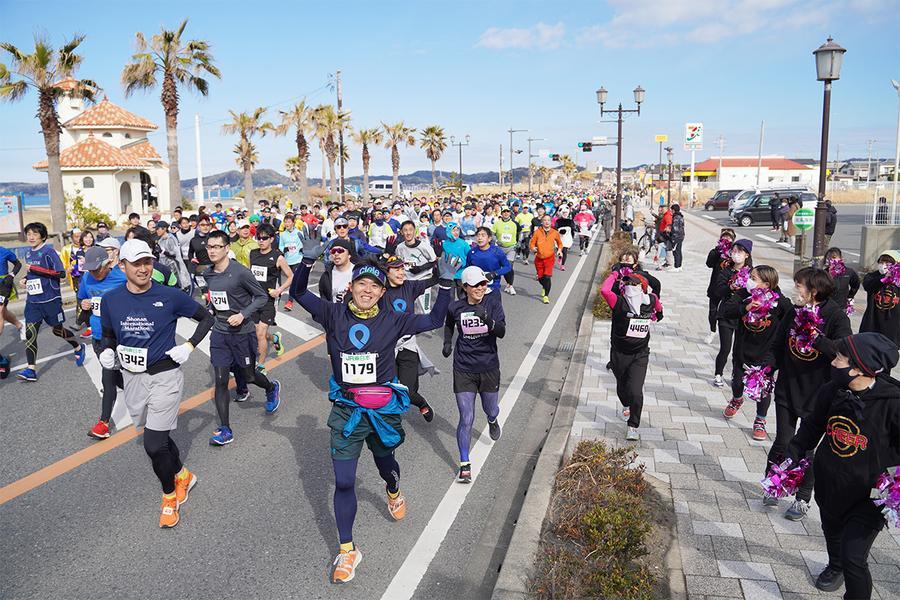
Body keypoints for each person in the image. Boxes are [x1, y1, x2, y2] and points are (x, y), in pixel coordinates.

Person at [287, 235, 458, 584]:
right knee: (345, 481)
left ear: (383, 292)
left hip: (381, 411)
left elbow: (436, 319)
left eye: (374, 285)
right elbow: (298, 295)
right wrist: (305, 263)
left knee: (386, 465)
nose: (367, 289)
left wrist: (444, 284)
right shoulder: (332, 314)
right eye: (361, 283)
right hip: (346, 410)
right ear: (351, 287)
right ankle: (348, 550)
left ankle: (393, 490)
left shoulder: (394, 320)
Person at [100, 239, 214, 527]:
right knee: (160, 440)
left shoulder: (170, 296)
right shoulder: (112, 299)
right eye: (136, 263)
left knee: (152, 444)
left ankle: (169, 497)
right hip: (132, 377)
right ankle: (184, 475)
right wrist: (107, 350)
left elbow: (206, 318)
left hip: (165, 375)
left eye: (147, 262)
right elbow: (110, 334)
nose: (143, 268)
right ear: (122, 265)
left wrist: (188, 346)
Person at [784, 332, 900, 598]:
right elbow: (811, 427)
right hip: (831, 483)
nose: (833, 362)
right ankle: (834, 565)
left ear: (859, 368)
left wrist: (893, 485)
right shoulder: (832, 390)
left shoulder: (894, 404)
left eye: (839, 357)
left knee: (854, 557)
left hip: (869, 496)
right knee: (832, 534)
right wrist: (793, 456)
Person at [765, 267, 852, 520]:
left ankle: (802, 498)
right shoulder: (794, 311)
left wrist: (817, 338)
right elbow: (777, 344)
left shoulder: (836, 316)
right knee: (783, 441)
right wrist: (767, 368)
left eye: (799, 285)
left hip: (819, 395)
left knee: (808, 449)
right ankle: (773, 484)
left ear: (813, 290)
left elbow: (843, 351)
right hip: (788, 388)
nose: (795, 289)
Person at [203, 229, 282, 446]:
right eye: (209, 246)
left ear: (227, 248)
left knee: (248, 376)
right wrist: (211, 308)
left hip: (242, 333)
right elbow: (216, 299)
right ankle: (225, 429)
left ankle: (270, 387)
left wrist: (242, 315)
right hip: (220, 333)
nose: (212, 251)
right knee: (220, 380)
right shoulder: (208, 274)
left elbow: (260, 297)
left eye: (217, 246)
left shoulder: (240, 272)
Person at [443, 265, 506, 482]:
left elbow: (502, 332)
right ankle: (464, 463)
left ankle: (492, 419)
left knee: (490, 408)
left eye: (483, 283)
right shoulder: (455, 307)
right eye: (476, 285)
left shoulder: (493, 302)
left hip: (488, 366)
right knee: (466, 417)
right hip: (463, 368)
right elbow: (449, 324)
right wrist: (446, 343)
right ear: (465, 287)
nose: (481, 287)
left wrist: (487, 320)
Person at [719, 265, 792, 440]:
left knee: (763, 389)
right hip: (743, 350)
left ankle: (760, 420)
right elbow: (726, 311)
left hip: (765, 354)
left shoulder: (779, 301)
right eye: (750, 276)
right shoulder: (744, 294)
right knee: (737, 382)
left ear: (766, 284)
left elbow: (792, 317)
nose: (749, 280)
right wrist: (745, 307)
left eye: (754, 278)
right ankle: (737, 399)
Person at [599, 271, 663, 441]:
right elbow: (605, 291)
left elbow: (659, 306)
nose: (629, 287)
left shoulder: (651, 300)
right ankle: (626, 405)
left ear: (641, 288)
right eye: (626, 284)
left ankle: (633, 426)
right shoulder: (619, 302)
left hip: (640, 354)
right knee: (622, 386)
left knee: (635, 391)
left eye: (633, 284)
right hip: (619, 353)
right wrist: (614, 274)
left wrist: (660, 313)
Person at [18, 222, 85, 381]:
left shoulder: (49, 252)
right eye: (29, 234)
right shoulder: (28, 253)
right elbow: (34, 275)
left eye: (35, 234)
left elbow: (61, 274)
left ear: (43, 236)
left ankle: (77, 346)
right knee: (30, 333)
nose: (31, 237)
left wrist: (34, 270)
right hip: (33, 301)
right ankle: (31, 369)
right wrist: (25, 279)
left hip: (51, 299)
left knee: (57, 330)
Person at [382, 253, 441, 421]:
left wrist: (437, 265)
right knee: (389, 388)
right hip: (387, 347)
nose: (401, 272)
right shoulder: (380, 290)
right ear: (387, 272)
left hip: (407, 344)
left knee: (408, 390)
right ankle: (389, 427)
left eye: (402, 268)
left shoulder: (409, 287)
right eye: (396, 269)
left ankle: (421, 403)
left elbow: (433, 280)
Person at [77, 246, 127, 439]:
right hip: (98, 336)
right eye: (90, 270)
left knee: (108, 379)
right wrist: (84, 304)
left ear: (107, 264)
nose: (94, 274)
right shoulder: (87, 279)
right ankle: (138, 393)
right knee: (113, 375)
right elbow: (82, 298)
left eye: (97, 269)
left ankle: (104, 423)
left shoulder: (121, 279)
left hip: (119, 336)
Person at [249, 224, 293, 369]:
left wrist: (279, 290)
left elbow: (291, 276)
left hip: (269, 299)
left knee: (260, 333)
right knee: (257, 332)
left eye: (264, 238)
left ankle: (261, 366)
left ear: (271, 239)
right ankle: (274, 338)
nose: (261, 241)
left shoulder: (277, 257)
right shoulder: (253, 254)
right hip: (254, 299)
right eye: (258, 238)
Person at [712, 239, 753, 388]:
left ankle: (736, 375)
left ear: (747, 255)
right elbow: (719, 291)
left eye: (740, 252)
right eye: (734, 251)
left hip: (744, 315)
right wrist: (731, 286)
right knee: (725, 348)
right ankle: (718, 373)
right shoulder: (726, 271)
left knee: (739, 350)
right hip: (726, 313)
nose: (736, 255)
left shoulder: (752, 273)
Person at [394, 219, 437, 313]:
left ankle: (427, 327)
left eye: (410, 230)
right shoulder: (399, 248)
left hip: (423, 282)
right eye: (405, 230)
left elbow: (434, 261)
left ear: (414, 231)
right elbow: (400, 263)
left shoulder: (424, 246)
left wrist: (420, 268)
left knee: (424, 310)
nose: (408, 233)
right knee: (409, 310)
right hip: (408, 282)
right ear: (401, 232)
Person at [860, 250, 900, 345]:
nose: (884, 265)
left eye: (888, 263)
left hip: (893, 324)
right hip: (873, 321)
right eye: (881, 262)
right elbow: (868, 285)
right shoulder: (872, 276)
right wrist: (883, 278)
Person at [705, 228, 737, 344]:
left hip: (730, 288)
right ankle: (712, 331)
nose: (726, 239)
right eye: (724, 237)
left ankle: (728, 332)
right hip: (715, 286)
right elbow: (709, 264)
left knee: (727, 311)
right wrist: (717, 250)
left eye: (729, 237)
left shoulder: (737, 253)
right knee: (712, 311)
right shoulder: (717, 251)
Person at [529, 214, 563, 304]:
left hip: (549, 258)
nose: (547, 222)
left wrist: (559, 250)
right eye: (545, 220)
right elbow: (532, 243)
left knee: (547, 277)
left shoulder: (554, 232)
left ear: (551, 222)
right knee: (540, 278)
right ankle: (545, 287)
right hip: (539, 258)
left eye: (548, 220)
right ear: (542, 222)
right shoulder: (537, 232)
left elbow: (560, 243)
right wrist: (533, 248)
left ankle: (546, 296)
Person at [465, 227, 511, 293]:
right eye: (478, 235)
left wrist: (494, 273)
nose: (480, 238)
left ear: (489, 238)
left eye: (483, 235)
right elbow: (468, 269)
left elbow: (508, 267)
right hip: (476, 288)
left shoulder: (497, 251)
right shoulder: (472, 252)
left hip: (493, 287)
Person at [492, 206, 520, 295]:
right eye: (504, 211)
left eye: (507, 211)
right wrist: (496, 240)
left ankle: (510, 285)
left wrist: (519, 242)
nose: (506, 213)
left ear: (510, 213)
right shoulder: (497, 223)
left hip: (511, 248)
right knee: (502, 267)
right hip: (500, 249)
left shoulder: (514, 223)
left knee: (509, 266)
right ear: (501, 213)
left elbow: (520, 233)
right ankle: (507, 284)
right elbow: (492, 234)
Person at [319, 238, 356, 303]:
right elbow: (324, 302)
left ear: (349, 255)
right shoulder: (326, 276)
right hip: (334, 312)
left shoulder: (358, 272)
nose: (336, 254)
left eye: (340, 250)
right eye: (333, 251)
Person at [0, 245, 25, 341]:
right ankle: (20, 325)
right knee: (3, 312)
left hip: (3, 285)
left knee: (0, 311)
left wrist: (12, 275)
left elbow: (18, 264)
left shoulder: (3, 251)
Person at [825, 247, 861, 314]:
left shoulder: (848, 271)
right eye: (829, 258)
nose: (831, 260)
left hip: (842, 307)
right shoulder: (825, 273)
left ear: (840, 258)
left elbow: (856, 284)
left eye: (834, 257)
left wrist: (850, 296)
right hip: (827, 307)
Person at [188, 216, 213, 294]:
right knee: (204, 293)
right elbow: (190, 252)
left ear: (210, 226)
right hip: (200, 270)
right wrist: (192, 258)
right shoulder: (194, 240)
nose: (205, 227)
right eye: (202, 225)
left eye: (207, 225)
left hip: (214, 269)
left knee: (214, 292)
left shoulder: (215, 237)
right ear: (198, 226)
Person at [552, 206, 575, 271]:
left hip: (567, 238)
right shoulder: (558, 221)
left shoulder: (570, 221)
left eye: (566, 212)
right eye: (563, 212)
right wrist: (559, 231)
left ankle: (562, 265)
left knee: (564, 251)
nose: (565, 214)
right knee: (559, 250)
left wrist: (575, 229)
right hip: (559, 238)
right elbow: (555, 228)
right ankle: (560, 257)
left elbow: (573, 228)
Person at [667, 204, 685, 271]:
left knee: (676, 252)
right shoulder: (680, 216)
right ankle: (679, 266)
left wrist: (671, 236)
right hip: (681, 236)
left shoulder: (676, 218)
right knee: (679, 251)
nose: (671, 211)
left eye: (671, 210)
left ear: (673, 210)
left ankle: (676, 267)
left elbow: (675, 229)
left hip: (676, 237)